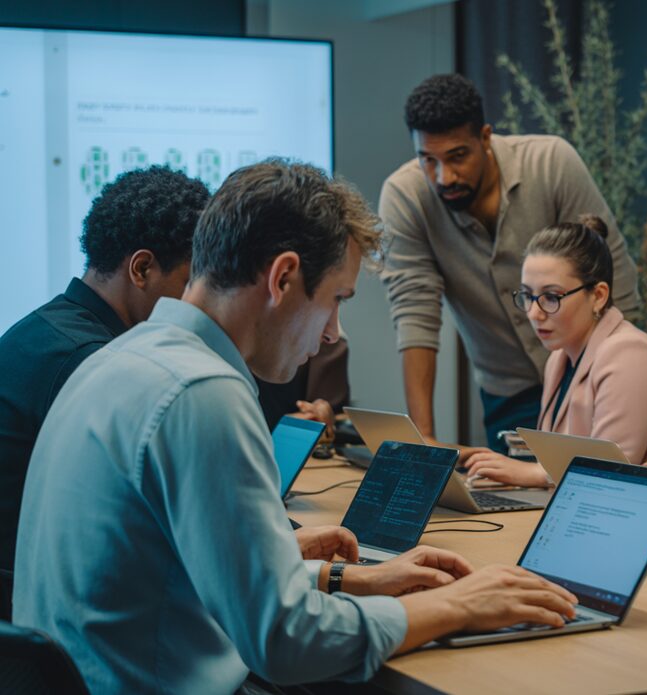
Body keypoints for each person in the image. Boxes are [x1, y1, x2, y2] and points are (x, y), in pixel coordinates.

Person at [13, 160, 577, 695]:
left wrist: (328, 576)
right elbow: (284, 641)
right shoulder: (202, 392)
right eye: (335, 301)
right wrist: (459, 605)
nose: (332, 334)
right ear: (283, 277)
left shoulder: (122, 358)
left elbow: (165, 576)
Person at [380, 73, 640, 449]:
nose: (444, 176)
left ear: (485, 137)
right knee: (510, 501)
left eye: (457, 157)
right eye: (427, 160)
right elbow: (414, 313)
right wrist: (424, 441)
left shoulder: (551, 163)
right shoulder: (405, 197)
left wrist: (619, 371)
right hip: (508, 391)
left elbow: (612, 273)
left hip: (591, 373)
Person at [0, 166, 210, 616]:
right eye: (190, 282)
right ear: (142, 268)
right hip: (43, 613)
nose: (198, 302)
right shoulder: (92, 360)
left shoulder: (48, 328)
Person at [462, 216, 647, 487]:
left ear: (599, 295)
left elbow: (606, 472)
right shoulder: (559, 357)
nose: (534, 313)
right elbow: (552, 461)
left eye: (551, 297)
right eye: (528, 296)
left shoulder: (630, 353)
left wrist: (527, 473)